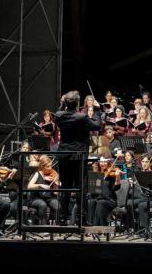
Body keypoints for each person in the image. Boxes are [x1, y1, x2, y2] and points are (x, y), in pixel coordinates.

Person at [54, 90, 102, 219]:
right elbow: (97, 126)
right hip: (78, 156)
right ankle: (82, 218)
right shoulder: (81, 117)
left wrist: (61, 104)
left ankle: (62, 218)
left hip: (64, 155)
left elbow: (58, 114)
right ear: (77, 103)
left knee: (66, 187)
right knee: (81, 187)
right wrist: (97, 110)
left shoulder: (59, 115)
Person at [26, 155, 61, 223]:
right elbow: (29, 186)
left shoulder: (53, 174)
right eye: (48, 166)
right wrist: (40, 185)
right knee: (42, 205)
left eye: (51, 166)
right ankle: (43, 226)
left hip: (49, 198)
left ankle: (56, 226)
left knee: (58, 205)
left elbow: (55, 193)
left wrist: (55, 184)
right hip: (36, 198)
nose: (50, 168)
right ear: (42, 166)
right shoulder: (37, 174)